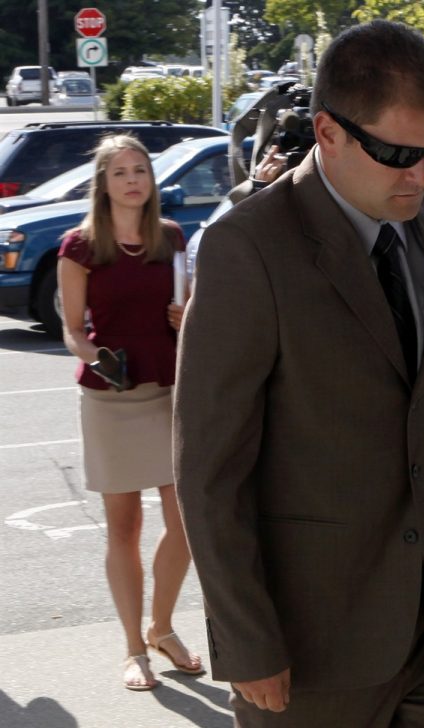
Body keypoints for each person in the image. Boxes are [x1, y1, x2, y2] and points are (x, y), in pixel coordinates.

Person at [173, 20, 424, 727]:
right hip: (308, 643)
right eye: (395, 152)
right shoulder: (247, 248)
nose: (419, 172)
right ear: (328, 132)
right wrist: (247, 641)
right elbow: (210, 468)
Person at [57, 134, 201, 691]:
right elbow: (72, 331)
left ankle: (162, 628)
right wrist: (99, 358)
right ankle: (132, 648)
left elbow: (187, 312)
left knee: (185, 521)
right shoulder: (79, 246)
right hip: (110, 397)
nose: (133, 179)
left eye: (140, 169)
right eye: (120, 172)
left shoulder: (171, 237)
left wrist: (184, 317)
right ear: (104, 184)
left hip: (170, 390)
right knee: (124, 526)